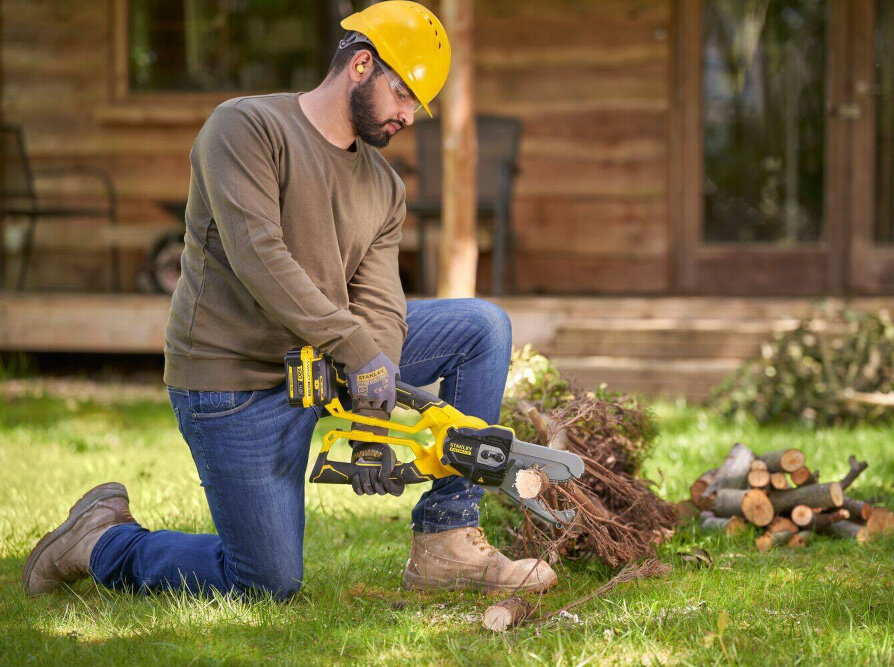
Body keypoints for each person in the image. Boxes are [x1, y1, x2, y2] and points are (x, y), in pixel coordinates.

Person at [22, 0, 555, 600]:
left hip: (323, 362)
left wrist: (373, 426)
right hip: (235, 384)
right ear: (361, 65)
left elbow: (378, 306)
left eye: (416, 106)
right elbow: (259, 255)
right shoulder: (245, 128)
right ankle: (99, 542)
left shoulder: (384, 185)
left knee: (478, 327)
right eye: (403, 94)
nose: (409, 115)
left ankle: (446, 539)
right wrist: (357, 350)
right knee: (265, 582)